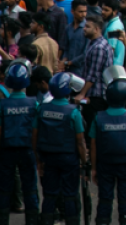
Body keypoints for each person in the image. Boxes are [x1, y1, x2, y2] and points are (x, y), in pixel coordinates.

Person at [0, 61, 40, 225]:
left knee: (4, 189)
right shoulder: (34, 104)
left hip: (6, 151)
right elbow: (36, 131)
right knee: (30, 188)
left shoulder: (2, 104)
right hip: (27, 150)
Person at [35, 73, 88, 225]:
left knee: (49, 195)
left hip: (48, 158)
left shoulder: (42, 109)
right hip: (69, 159)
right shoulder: (74, 112)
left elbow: (35, 136)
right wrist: (84, 161)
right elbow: (80, 141)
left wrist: (38, 159)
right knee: (70, 194)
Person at [90, 77, 126, 225]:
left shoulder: (98, 117)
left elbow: (93, 145)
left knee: (105, 199)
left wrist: (94, 168)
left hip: (105, 165)